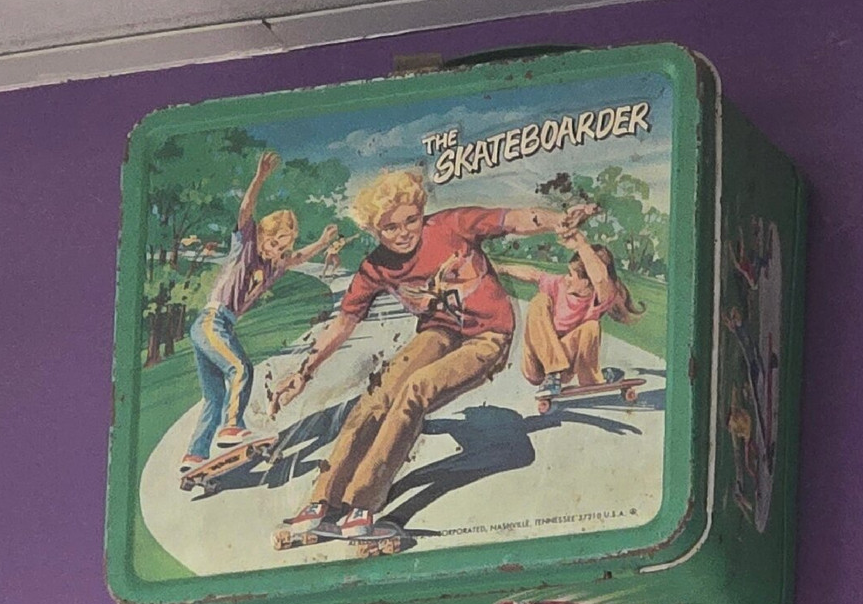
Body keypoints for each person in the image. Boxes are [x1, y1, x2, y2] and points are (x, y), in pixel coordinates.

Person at [270, 169, 594, 538]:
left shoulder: (450, 226)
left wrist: (556, 221)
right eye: (390, 227)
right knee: (378, 394)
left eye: (411, 220)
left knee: (417, 389)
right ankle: (322, 501)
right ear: (374, 230)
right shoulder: (375, 266)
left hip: (489, 335)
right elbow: (344, 322)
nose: (404, 233)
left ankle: (362, 503)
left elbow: (514, 219)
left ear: (421, 212)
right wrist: (304, 371)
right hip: (439, 332)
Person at [179, 151, 337, 477]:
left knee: (214, 396)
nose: (276, 251)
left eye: (282, 247)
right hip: (211, 320)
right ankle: (231, 428)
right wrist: (259, 177)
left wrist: (322, 242)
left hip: (219, 327)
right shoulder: (247, 245)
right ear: (263, 234)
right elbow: (246, 209)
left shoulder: (275, 265)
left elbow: (298, 258)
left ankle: (195, 454)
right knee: (240, 368)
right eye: (274, 243)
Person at [495, 230, 644, 396]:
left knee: (591, 326)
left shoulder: (598, 298)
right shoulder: (558, 285)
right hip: (536, 365)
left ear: (587, 282)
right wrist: (501, 268)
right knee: (540, 301)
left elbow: (600, 278)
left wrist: (582, 245)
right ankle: (552, 373)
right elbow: (533, 274)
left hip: (566, 368)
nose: (566, 278)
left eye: (572, 275)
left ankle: (591, 378)